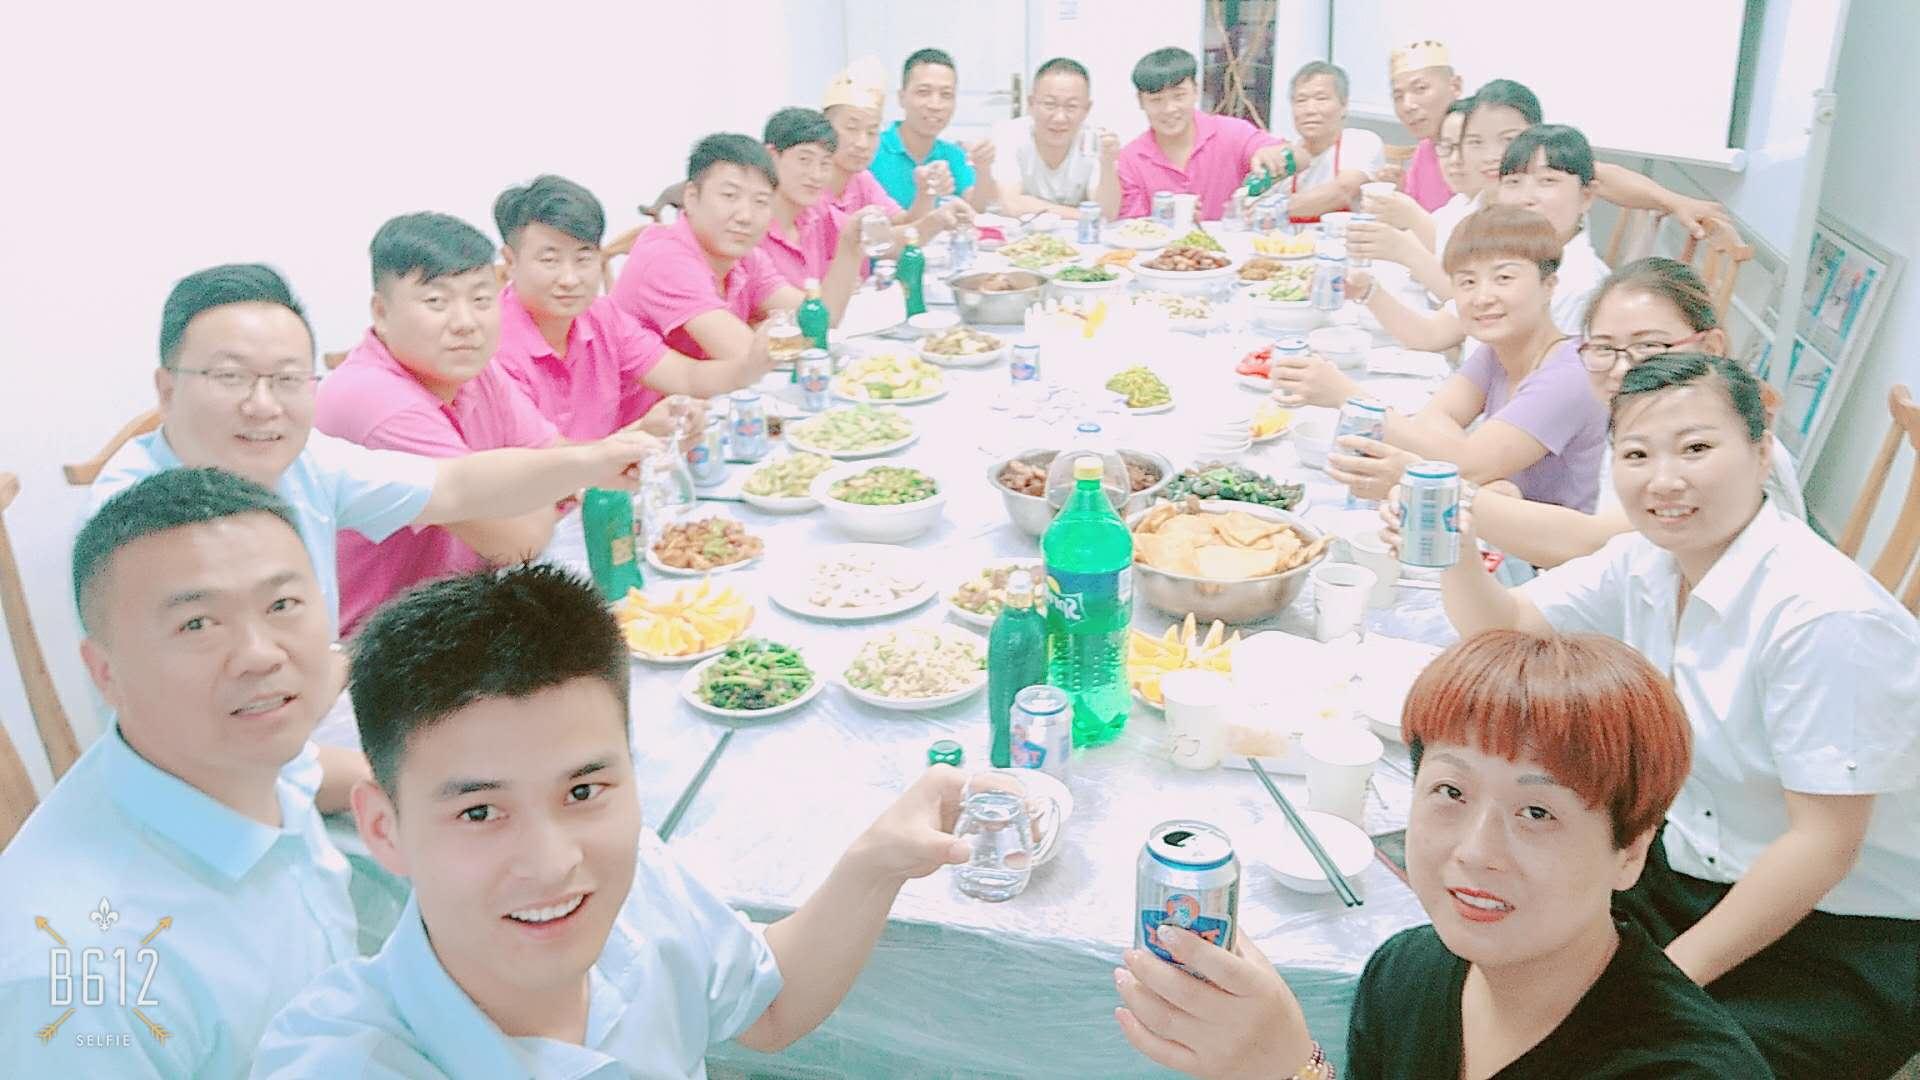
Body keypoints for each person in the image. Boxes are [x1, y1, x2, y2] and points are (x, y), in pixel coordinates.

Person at [253, 564, 973, 1077]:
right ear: (384, 829)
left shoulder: (639, 885)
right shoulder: (344, 1059)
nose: (552, 862)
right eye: (480, 811)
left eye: (583, 791)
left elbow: (768, 1007)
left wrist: (879, 860)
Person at [1433, 354, 1920, 1079]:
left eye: (1695, 448)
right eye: (1637, 455)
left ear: (1761, 452)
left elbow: (1823, 846)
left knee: (1631, 1060)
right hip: (1688, 868)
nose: (1664, 480)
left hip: (1841, 932)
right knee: (1477, 967)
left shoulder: (1823, 618)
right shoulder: (1647, 561)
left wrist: (1653, 985)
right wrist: (1451, 550)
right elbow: (1504, 628)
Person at [1112, 630, 1771, 1078]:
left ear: (1630, 850)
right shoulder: (1408, 974)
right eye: (1451, 791)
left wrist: (1291, 1071)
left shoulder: (1685, 1069)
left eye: (1537, 813)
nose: (1477, 852)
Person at [0, 470, 368, 1078]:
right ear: (106, 673)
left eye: (281, 605)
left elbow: (317, 771)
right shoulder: (87, 976)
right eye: (197, 624)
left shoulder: (235, 755)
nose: (261, 654)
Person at [91, 262, 661, 641]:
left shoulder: (308, 460)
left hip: (321, 694)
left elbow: (454, 486)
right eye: (231, 377)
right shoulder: (138, 520)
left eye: (287, 378)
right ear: (167, 390)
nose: (263, 405)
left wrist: (595, 461)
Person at [1387, 258, 1807, 570]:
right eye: (1605, 348)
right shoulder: (1632, 427)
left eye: (1649, 347)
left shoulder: (1737, 447)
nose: (1622, 368)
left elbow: (1589, 543)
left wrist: (1435, 490)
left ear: (1710, 347)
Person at [316, 212, 606, 635]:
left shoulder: (471, 368)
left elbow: (554, 453)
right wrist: (549, 485)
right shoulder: (376, 401)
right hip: (386, 641)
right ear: (381, 312)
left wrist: (601, 457)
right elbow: (517, 541)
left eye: (481, 300)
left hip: (466, 606)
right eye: (437, 302)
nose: (466, 323)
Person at [1278, 205, 1609, 513]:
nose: (1482, 297)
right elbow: (1433, 419)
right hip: (1487, 529)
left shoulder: (1570, 376)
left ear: (1549, 285)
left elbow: (1468, 463)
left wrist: (1347, 397)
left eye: (1504, 278)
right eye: (1467, 282)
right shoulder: (1496, 350)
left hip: (1537, 551)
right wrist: (1473, 471)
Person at [491, 175, 778, 443]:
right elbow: (541, 465)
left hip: (616, 471)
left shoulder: (602, 316)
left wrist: (748, 367)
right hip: (565, 479)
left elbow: (686, 376)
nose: (570, 279)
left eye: (583, 259)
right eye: (550, 260)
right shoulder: (492, 348)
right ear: (511, 261)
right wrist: (639, 433)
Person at [1352, 123, 1611, 348]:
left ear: (1586, 196)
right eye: (1513, 182)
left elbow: (1541, 382)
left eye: (1547, 181)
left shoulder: (1581, 284)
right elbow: (1432, 334)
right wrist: (1366, 290)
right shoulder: (1502, 253)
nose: (1526, 198)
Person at [611, 134, 821, 365]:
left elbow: (816, 317)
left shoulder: (747, 258)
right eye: (730, 196)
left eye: (760, 201)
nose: (745, 216)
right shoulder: (665, 259)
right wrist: (765, 333)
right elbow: (747, 356)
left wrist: (847, 251)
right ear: (691, 197)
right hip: (653, 391)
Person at [1116, 46, 1301, 221]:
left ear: (1196, 91)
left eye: (1179, 96)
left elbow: (1301, 158)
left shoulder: (1232, 133)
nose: (1169, 109)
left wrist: (1276, 155)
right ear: (1140, 102)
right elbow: (1132, 226)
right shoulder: (1130, 159)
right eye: (1156, 100)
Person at [820, 56, 966, 244]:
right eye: (851, 128)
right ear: (825, 128)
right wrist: (934, 222)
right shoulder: (811, 185)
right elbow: (880, 243)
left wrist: (925, 193)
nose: (862, 143)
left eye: (872, 132)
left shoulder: (862, 180)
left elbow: (905, 226)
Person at [758, 107, 890, 303]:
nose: (816, 175)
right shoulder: (750, 228)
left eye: (825, 164)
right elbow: (817, 311)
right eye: (805, 160)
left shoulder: (818, 212)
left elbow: (867, 234)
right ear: (772, 156)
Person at [988, 57, 1122, 220]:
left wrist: (1108, 164)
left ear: (1087, 109)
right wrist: (1084, 215)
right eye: (1050, 104)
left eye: (1071, 106)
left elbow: (1107, 214)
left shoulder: (1094, 140)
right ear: (1031, 104)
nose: (1059, 117)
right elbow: (1011, 204)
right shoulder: (1008, 133)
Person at [867, 48, 999, 213]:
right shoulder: (871, 150)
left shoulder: (953, 154)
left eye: (946, 95)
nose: (935, 105)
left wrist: (984, 168)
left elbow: (976, 209)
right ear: (902, 98)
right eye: (924, 92)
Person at [1278, 61, 1385, 221]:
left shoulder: (1361, 142)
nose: (1310, 110)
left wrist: (1275, 210)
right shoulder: (1285, 155)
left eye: (1321, 99)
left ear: (1344, 106)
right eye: (1301, 100)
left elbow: (1342, 192)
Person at [1384, 40, 1465, 211]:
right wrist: (1398, 191)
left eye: (1420, 89)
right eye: (1398, 96)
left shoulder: (1478, 151)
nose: (1407, 106)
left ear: (1455, 86)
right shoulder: (1424, 149)